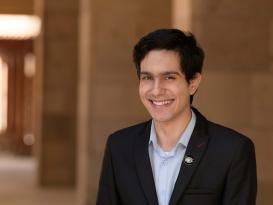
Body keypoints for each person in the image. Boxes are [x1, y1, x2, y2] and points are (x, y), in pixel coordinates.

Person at [96, 28, 257, 205]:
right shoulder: (119, 147)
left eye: (169, 77)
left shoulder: (233, 150)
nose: (156, 90)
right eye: (147, 77)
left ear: (193, 83)